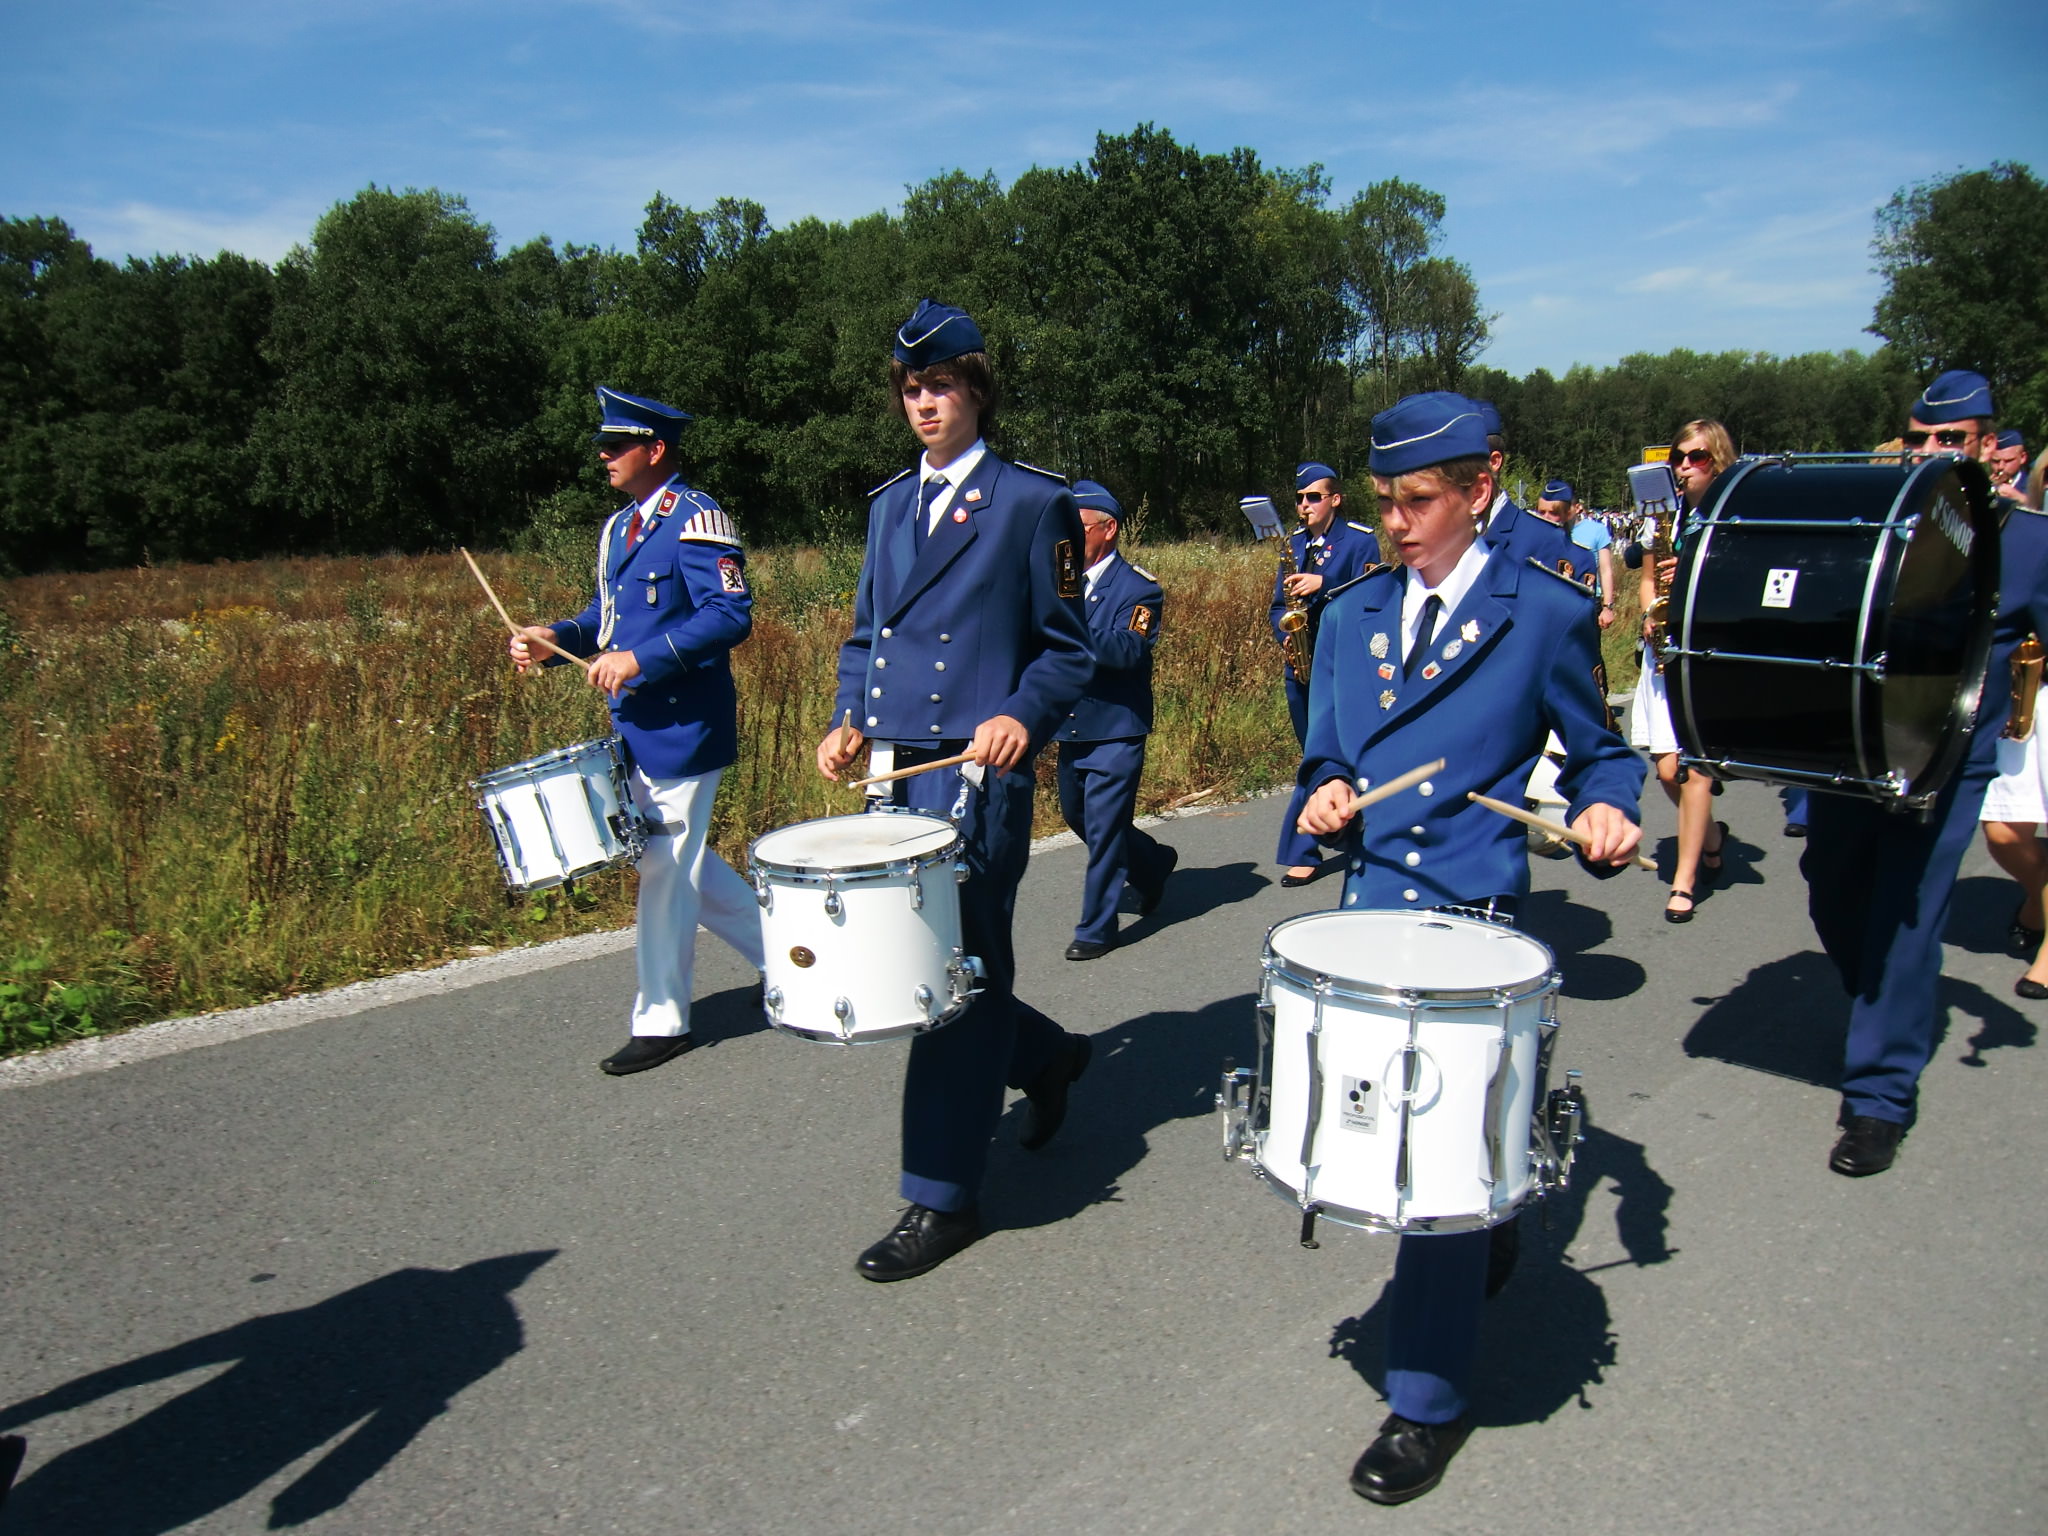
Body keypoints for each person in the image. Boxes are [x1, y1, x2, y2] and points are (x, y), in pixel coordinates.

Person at [1295, 390, 1644, 1505]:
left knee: (1435, 1166)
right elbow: (1321, 754)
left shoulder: (1538, 612)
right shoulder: (1349, 613)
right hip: (1368, 919)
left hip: (1472, 934)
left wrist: (1605, 809)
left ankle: (1424, 1402)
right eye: (1383, 501)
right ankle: (1493, 1220)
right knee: (1371, 1141)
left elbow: (1598, 752)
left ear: (1479, 487)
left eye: (1417, 500)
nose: (1394, 523)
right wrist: (1323, 793)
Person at [815, 299, 1095, 1281]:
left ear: (975, 391)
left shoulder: (1029, 503)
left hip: (977, 778)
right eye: (910, 389)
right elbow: (868, 635)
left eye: (940, 385)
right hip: (895, 775)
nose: (923, 403)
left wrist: (1022, 713)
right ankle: (1045, 1056)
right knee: (926, 968)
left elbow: (1067, 651)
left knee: (950, 982)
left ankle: (941, 1198)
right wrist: (848, 717)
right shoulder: (889, 506)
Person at [1803, 369, 2048, 1173]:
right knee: (1830, 885)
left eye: (1952, 439)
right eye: (1919, 439)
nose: (1932, 451)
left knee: (1905, 916)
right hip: (1855, 744)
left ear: (1988, 446)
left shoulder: (2030, 541)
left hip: (1948, 759)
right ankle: (1882, 999)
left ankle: (1878, 1097)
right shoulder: (1877, 522)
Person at [512, 387, 767, 1075]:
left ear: (655, 449)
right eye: (603, 445)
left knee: (662, 869)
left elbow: (729, 615)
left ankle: (661, 1019)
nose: (603, 455)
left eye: (615, 445)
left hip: (686, 725)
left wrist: (640, 660)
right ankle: (792, 960)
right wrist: (550, 639)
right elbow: (604, 620)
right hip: (635, 727)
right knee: (681, 862)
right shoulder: (618, 527)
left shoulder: (698, 516)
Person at [1054, 480, 1176, 960]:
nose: (1068, 537)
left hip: (1117, 726)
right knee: (1078, 816)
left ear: (1108, 530)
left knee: (1104, 829)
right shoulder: (1060, 581)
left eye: (1078, 527)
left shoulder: (1139, 588)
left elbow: (1128, 648)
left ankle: (1097, 928)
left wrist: (1069, 628)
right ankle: (1151, 863)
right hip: (1071, 724)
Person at [1628, 420, 1735, 923]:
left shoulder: (1734, 516)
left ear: (1719, 460)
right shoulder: (1663, 517)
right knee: (1667, 768)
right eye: (1679, 457)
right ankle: (1710, 835)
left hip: (1708, 654)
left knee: (1693, 771)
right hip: (1664, 651)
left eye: (1698, 457)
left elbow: (1745, 585)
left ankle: (1684, 881)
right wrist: (1650, 615)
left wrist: (1694, 573)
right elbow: (1648, 580)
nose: (1685, 466)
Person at [1269, 462, 1379, 887]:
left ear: (1335, 499)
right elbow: (1278, 605)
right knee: (1312, 755)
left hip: (1345, 664)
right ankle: (1341, 829)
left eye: (1313, 497)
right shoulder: (1293, 545)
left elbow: (1374, 594)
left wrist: (1325, 581)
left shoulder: (1360, 541)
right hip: (1301, 663)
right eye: (1300, 498)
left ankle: (1303, 849)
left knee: (1342, 752)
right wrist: (1284, 633)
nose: (1304, 505)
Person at [1990, 429, 2029, 501]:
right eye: (1996, 461)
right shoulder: (1985, 485)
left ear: (2022, 458)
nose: (2001, 467)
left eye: (2008, 461)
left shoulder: (2034, 486)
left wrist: (2020, 498)